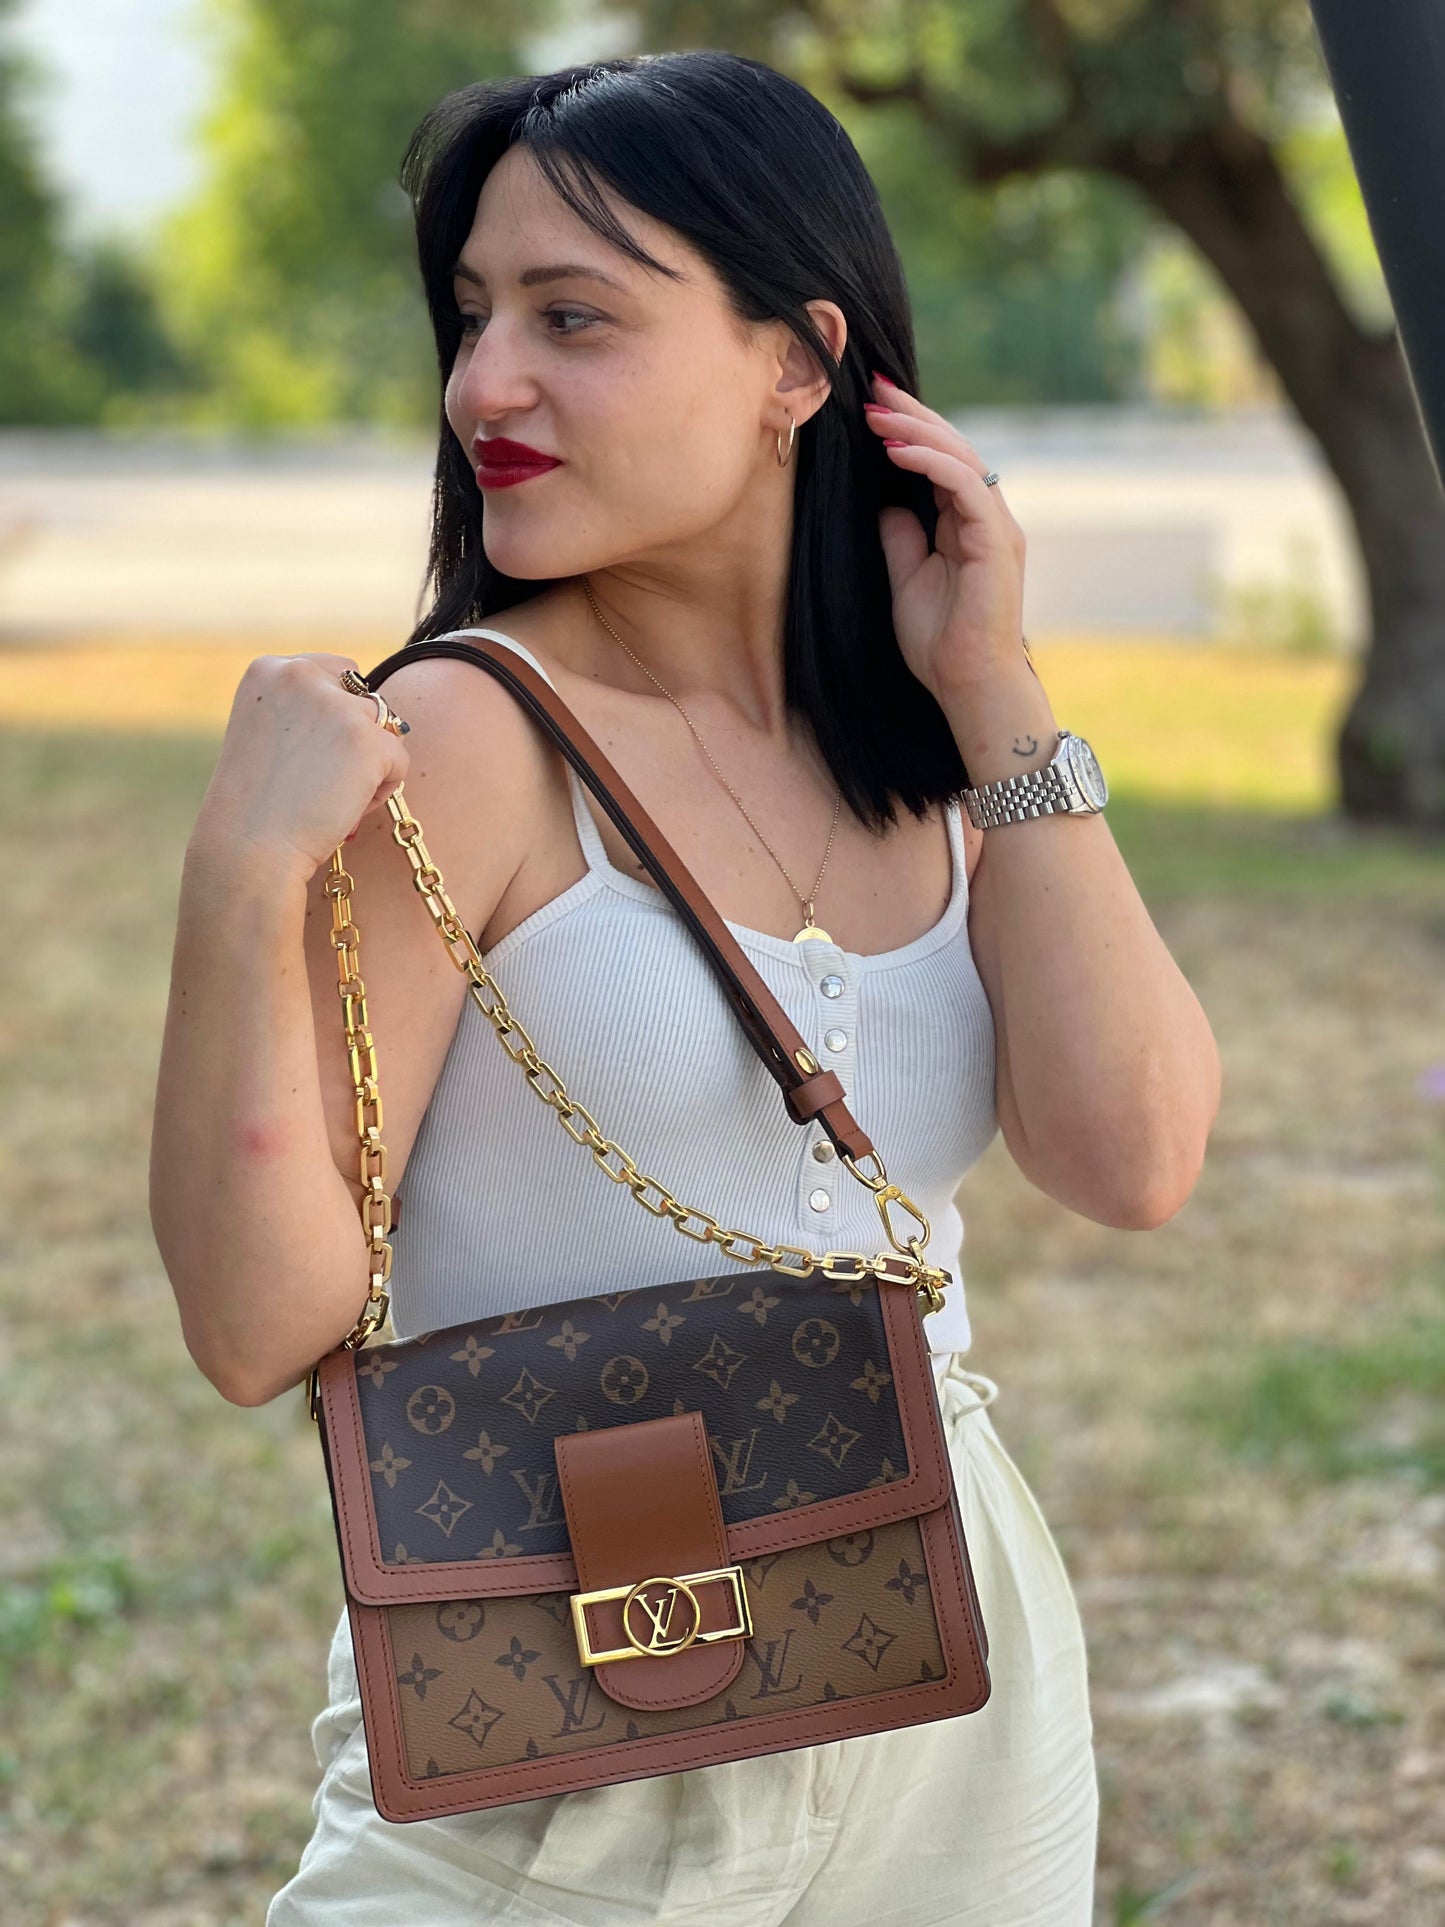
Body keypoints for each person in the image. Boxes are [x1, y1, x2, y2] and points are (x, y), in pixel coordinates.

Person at [148, 50, 1221, 1926]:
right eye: (472, 315)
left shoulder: (931, 743)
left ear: (797, 362)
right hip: (559, 1692)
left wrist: (996, 694)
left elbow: (1129, 1159)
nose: (485, 384)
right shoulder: (456, 742)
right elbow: (257, 1329)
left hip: (947, 1685)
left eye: (572, 318)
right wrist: (241, 878)